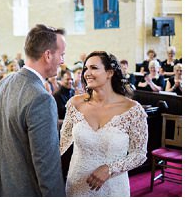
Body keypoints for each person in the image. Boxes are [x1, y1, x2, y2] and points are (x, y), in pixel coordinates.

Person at [0, 24, 66, 196]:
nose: (62, 61)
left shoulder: (5, 82)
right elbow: (47, 166)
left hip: (2, 187)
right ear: (48, 55)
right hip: (26, 190)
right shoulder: (42, 98)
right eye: (61, 55)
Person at [60, 51, 147, 196]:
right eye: (85, 68)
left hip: (114, 187)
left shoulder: (133, 110)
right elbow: (61, 144)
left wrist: (110, 169)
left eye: (93, 68)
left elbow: (139, 154)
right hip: (78, 185)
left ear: (109, 73)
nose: (87, 73)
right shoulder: (75, 104)